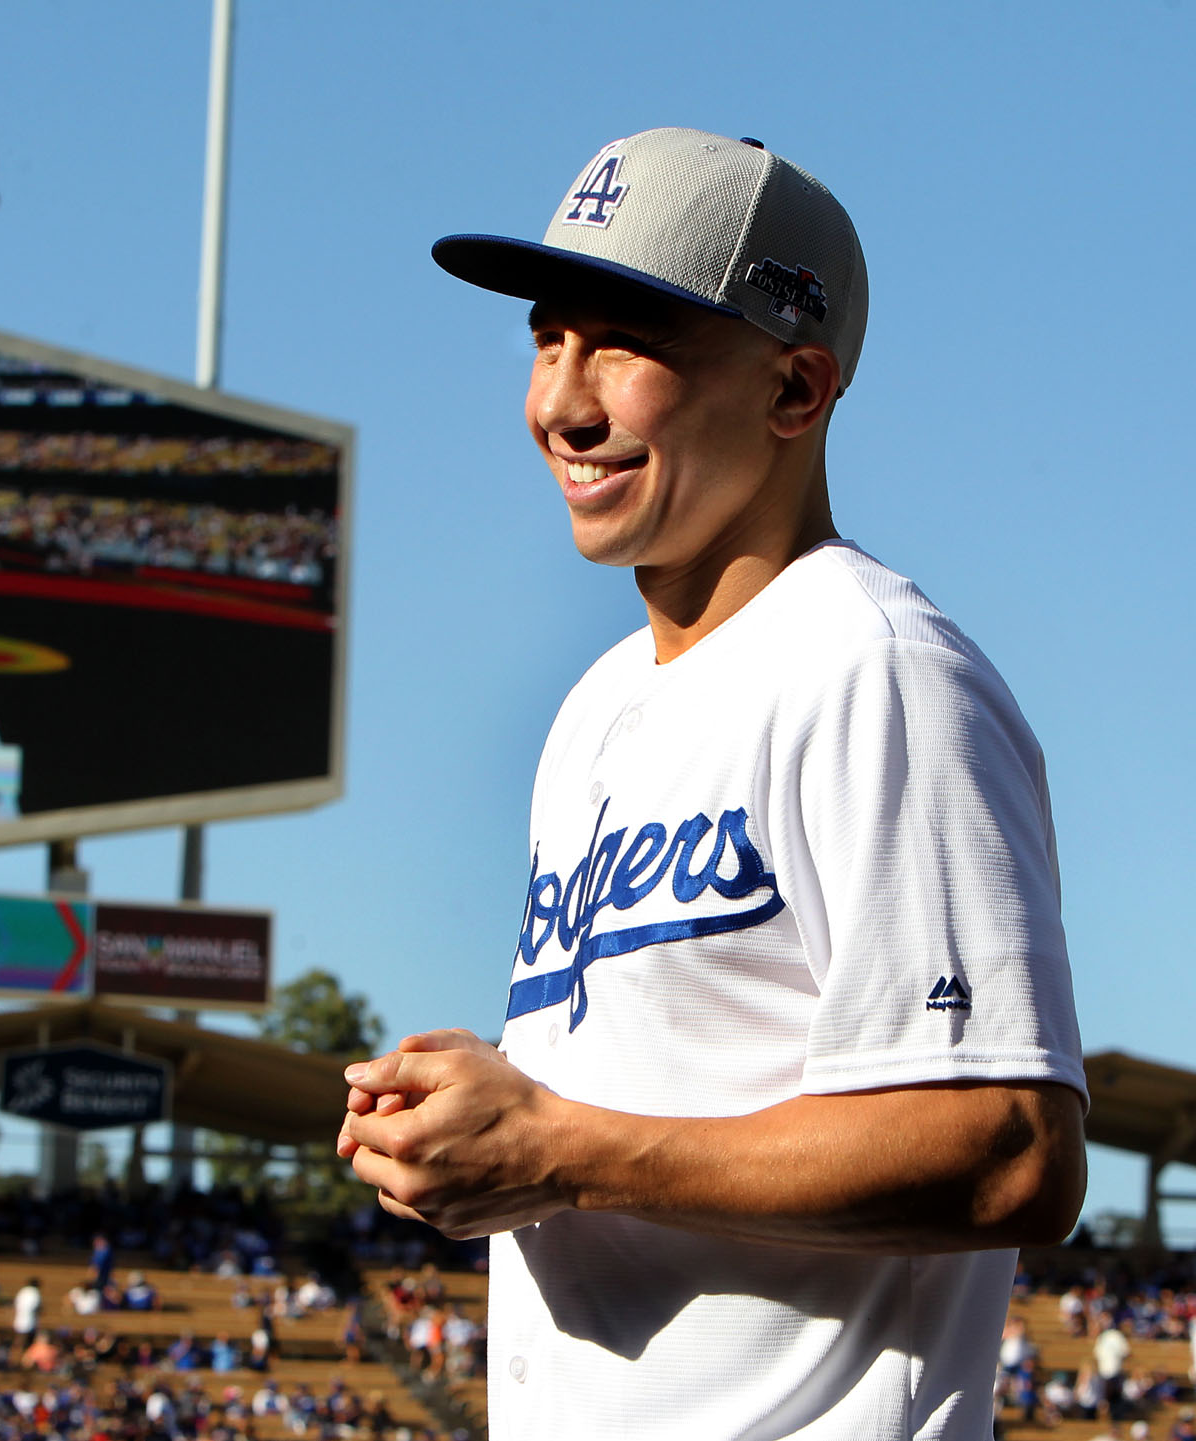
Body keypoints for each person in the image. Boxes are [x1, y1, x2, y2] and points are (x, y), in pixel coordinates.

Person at [336, 127, 1086, 1440]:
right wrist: (487, 1105)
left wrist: (557, 1147)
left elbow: (1011, 1146)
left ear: (796, 390)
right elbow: (654, 1089)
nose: (562, 402)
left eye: (624, 344)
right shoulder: (596, 709)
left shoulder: (875, 668)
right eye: (546, 338)